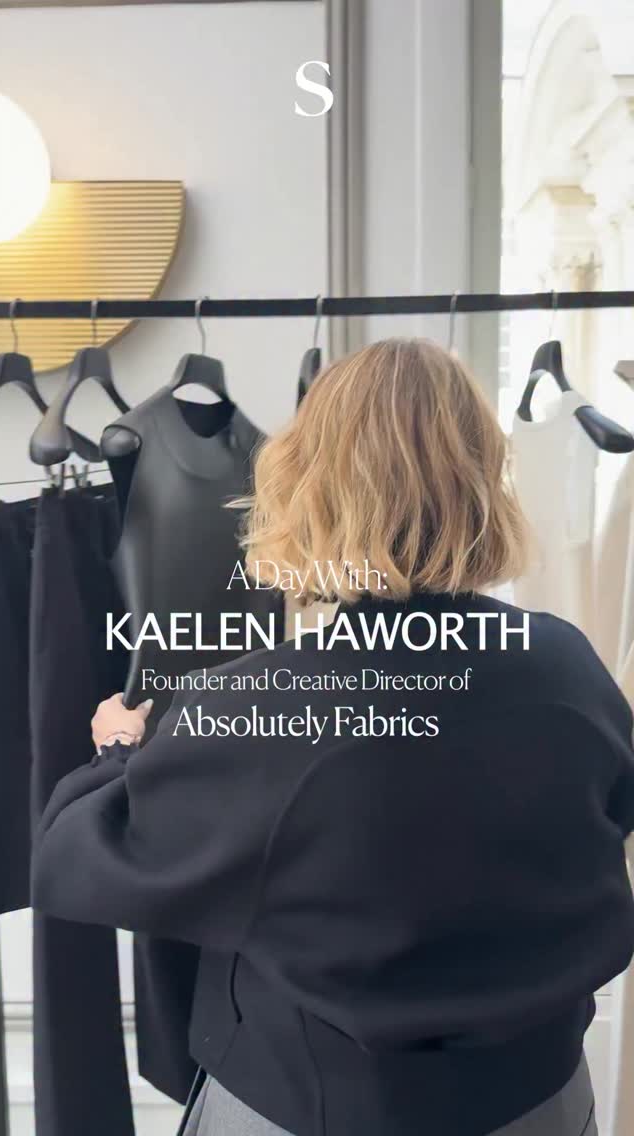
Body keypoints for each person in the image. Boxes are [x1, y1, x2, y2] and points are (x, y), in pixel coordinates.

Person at [32, 339, 634, 1136]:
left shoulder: (260, 704)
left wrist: (118, 748)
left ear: (307, 485)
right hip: (543, 1101)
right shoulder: (566, 665)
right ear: (484, 479)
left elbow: (77, 859)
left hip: (319, 1107)